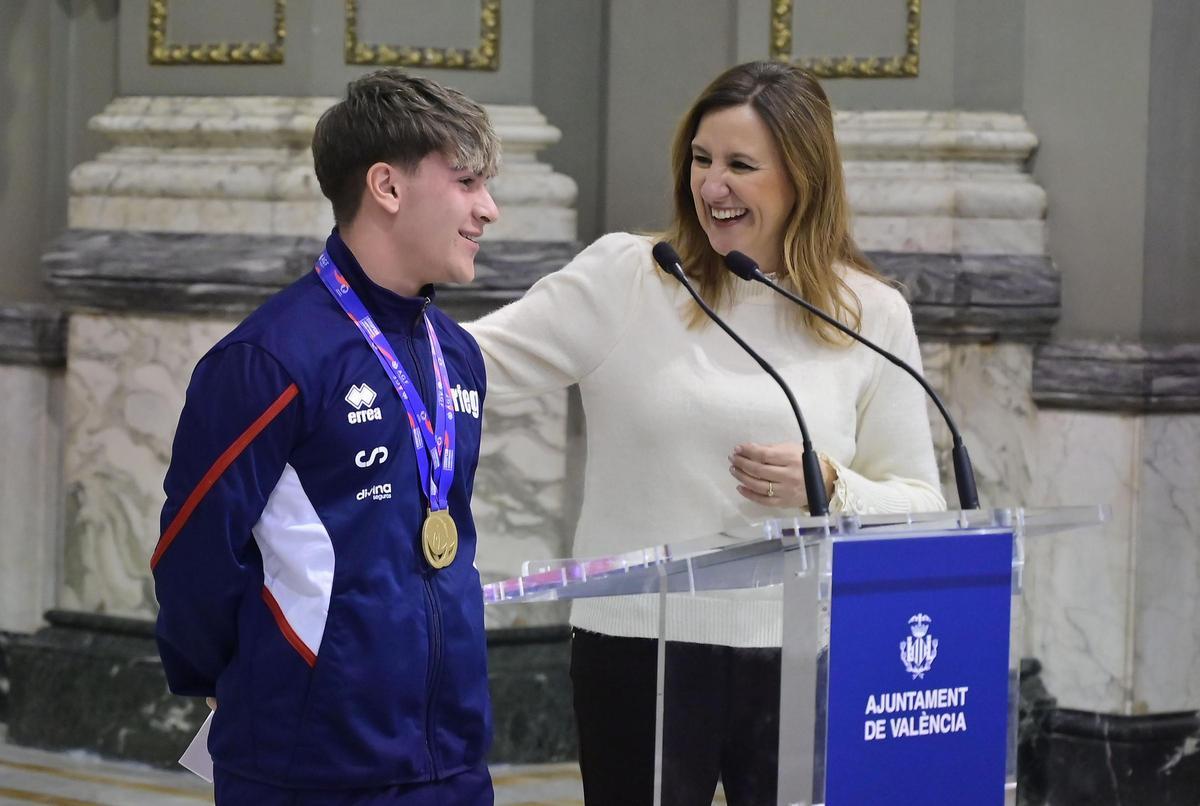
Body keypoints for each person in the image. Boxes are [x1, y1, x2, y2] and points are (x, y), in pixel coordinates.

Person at [466, 61, 945, 804]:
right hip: (637, 650)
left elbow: (921, 505)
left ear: (802, 179)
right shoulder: (631, 276)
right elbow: (469, 363)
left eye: (740, 166)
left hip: (802, 655)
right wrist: (341, 342)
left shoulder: (870, 314)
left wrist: (834, 487)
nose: (711, 185)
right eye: (700, 159)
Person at [150, 69, 501, 805]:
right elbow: (193, 553)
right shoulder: (271, 360)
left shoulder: (457, 354)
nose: (488, 210)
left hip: (451, 763)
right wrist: (246, 679)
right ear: (388, 187)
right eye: (467, 182)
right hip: (306, 767)